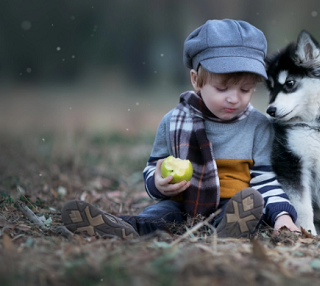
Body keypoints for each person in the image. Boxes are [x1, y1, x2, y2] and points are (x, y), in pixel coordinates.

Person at [62, 19, 299, 239]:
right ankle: (125, 228)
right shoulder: (174, 121)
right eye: (222, 88)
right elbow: (153, 166)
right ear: (196, 80)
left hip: (232, 204)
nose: (234, 99)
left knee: (250, 204)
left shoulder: (258, 126)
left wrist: (282, 215)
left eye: (245, 90)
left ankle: (228, 230)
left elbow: (265, 180)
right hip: (183, 203)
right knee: (159, 214)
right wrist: (158, 181)